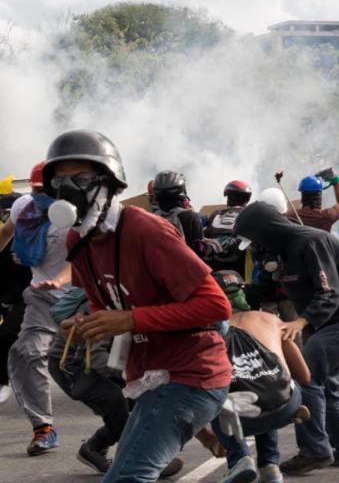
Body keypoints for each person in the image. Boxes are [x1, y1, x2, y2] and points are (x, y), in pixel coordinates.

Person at [45, 129, 232, 481]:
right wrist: (89, 323)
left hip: (191, 374)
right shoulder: (78, 239)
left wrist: (130, 320)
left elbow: (216, 306)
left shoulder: (147, 230)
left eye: (81, 178)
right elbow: (107, 311)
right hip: (151, 381)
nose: (68, 189)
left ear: (110, 183)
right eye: (60, 181)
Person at [234, 201, 339, 475]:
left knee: (307, 375)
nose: (255, 247)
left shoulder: (312, 241)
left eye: (256, 240)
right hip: (329, 326)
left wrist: (300, 322)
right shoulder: (278, 253)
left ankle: (315, 450)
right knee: (324, 386)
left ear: (268, 231)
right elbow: (261, 289)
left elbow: (329, 292)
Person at [46, 288, 185, 478]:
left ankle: (94, 447)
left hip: (100, 362)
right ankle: (143, 460)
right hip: (72, 365)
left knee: (138, 401)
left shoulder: (131, 299)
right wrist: (129, 374)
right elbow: (96, 356)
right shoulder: (101, 306)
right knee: (115, 402)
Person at [0, 161, 72, 455]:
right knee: (24, 352)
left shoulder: (74, 215)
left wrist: (59, 279)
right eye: (34, 188)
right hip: (40, 297)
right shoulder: (24, 208)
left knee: (102, 369)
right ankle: (44, 428)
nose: (37, 194)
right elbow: (6, 232)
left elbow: (82, 259)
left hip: (83, 295)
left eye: (43, 189)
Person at [212, 304, 314, 483]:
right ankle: (269, 466)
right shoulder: (270, 319)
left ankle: (239, 459)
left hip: (237, 418)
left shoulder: (206, 330)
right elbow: (305, 376)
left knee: (214, 397)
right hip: (283, 409)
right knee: (269, 383)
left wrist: (208, 439)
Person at [0, 191, 32, 405]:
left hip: (30, 296)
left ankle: (2, 381)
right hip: (7, 298)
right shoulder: (3, 238)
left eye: (6, 213)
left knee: (5, 337)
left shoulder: (30, 238)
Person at [152, 170, 220, 259]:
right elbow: (199, 249)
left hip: (156, 269)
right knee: (232, 273)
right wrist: (213, 247)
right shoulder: (191, 217)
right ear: (182, 191)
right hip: (182, 270)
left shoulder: (151, 218)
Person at [204, 180, 253, 275]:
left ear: (233, 197)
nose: (227, 199)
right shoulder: (251, 215)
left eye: (229, 196)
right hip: (238, 266)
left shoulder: (216, 213)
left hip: (213, 264)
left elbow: (205, 235)